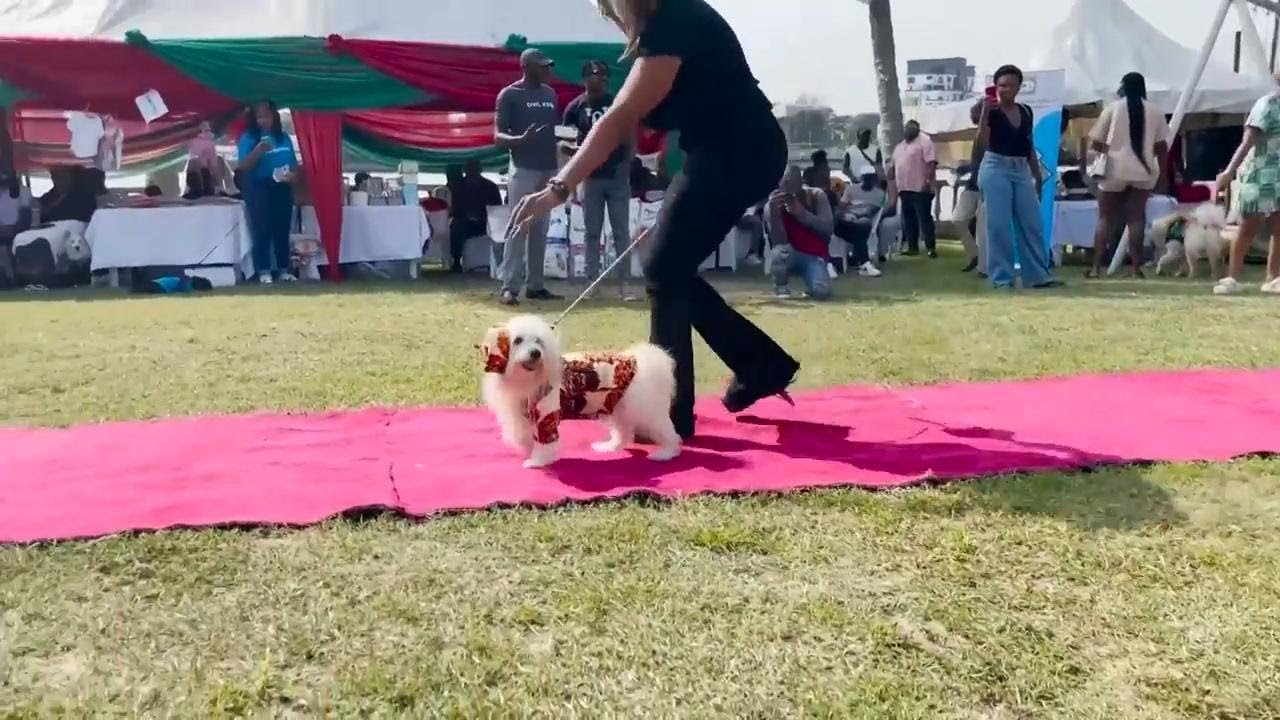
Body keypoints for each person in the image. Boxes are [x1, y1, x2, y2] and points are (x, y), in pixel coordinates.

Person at [507, 0, 800, 440]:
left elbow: (619, 118)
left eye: (609, 7)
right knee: (670, 269)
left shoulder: (674, 20)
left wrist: (558, 188)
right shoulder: (667, 26)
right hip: (722, 150)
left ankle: (671, 412)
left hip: (742, 151)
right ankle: (760, 365)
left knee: (665, 268)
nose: (609, 15)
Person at [976, 65, 1059, 289]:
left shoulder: (1025, 111)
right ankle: (1002, 278)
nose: (1004, 90)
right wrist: (984, 114)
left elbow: (1028, 144)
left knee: (1032, 223)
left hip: (1021, 168)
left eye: (1010, 85)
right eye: (1001, 85)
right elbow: (980, 144)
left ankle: (1038, 275)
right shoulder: (988, 110)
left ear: (1018, 88)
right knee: (999, 225)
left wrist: (1037, 175)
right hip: (995, 166)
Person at [495, 48, 564, 305]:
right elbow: (497, 136)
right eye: (542, 66)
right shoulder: (510, 95)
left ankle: (536, 285)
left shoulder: (550, 94)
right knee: (518, 227)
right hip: (523, 168)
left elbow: (553, 131)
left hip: (548, 169)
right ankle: (509, 287)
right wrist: (519, 140)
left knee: (541, 228)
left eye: (548, 66)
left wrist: (564, 147)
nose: (548, 70)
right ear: (526, 67)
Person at [1085, 72, 1170, 279]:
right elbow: (1161, 146)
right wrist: (1165, 174)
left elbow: (1096, 142)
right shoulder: (1156, 111)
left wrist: (1108, 152)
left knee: (1104, 217)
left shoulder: (1112, 109)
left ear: (1122, 86)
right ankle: (1135, 269)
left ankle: (1096, 268)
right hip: (1143, 170)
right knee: (1135, 219)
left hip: (1113, 169)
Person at [563, 59, 636, 299]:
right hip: (591, 178)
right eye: (597, 77)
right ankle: (591, 282)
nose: (603, 82)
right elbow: (564, 142)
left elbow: (630, 133)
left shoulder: (617, 102)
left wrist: (626, 164)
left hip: (617, 176)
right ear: (585, 79)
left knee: (621, 232)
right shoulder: (574, 108)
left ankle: (624, 284)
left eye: (605, 78)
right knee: (592, 232)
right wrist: (577, 156)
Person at [1214, 73, 1280, 295]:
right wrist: (1228, 172)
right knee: (1248, 227)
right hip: (1259, 174)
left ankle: (1273, 278)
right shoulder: (1266, 106)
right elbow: (1247, 143)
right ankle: (1232, 277)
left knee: (1279, 227)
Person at [236, 100, 298, 285]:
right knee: (262, 228)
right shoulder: (249, 138)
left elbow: (294, 164)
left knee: (282, 228)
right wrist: (258, 151)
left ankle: (283, 269)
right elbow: (242, 167)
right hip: (259, 187)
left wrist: (292, 176)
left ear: (274, 117)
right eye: (259, 117)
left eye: (267, 116)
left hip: (282, 186)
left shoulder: (284, 137)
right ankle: (263, 270)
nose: (263, 120)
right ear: (254, 119)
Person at [767, 165, 833, 299]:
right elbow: (779, 242)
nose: (787, 186)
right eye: (784, 182)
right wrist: (774, 215)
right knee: (779, 253)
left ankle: (812, 287)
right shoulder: (773, 202)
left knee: (821, 293)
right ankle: (781, 287)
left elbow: (828, 229)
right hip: (789, 254)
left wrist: (802, 214)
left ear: (800, 182)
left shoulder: (816, 196)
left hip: (814, 255)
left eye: (791, 182)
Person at [887, 120, 938, 258]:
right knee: (909, 219)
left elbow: (931, 163)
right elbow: (893, 165)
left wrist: (927, 181)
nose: (909, 130)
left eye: (912, 128)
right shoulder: (900, 146)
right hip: (904, 188)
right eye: (907, 128)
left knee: (924, 218)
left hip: (921, 187)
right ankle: (912, 246)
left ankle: (930, 247)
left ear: (917, 129)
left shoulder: (925, 142)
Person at [447, 160, 502, 273]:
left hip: (485, 222)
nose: (472, 172)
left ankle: (500, 262)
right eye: (469, 170)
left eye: (474, 169)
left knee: (498, 228)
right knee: (456, 227)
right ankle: (456, 261)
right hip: (464, 222)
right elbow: (454, 209)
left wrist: (482, 216)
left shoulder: (491, 186)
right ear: (465, 171)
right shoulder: (458, 186)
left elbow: (497, 208)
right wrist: (466, 215)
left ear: (480, 170)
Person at [953, 101, 987, 275]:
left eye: (974, 113)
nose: (972, 117)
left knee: (982, 227)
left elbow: (986, 163)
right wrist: (968, 166)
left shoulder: (991, 134)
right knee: (958, 219)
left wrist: (967, 167)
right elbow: (977, 162)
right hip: (973, 184)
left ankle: (984, 266)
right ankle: (975, 255)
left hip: (986, 186)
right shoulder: (977, 135)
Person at [839, 166, 887, 276]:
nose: (867, 180)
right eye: (865, 177)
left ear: (874, 178)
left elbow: (872, 211)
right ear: (861, 178)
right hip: (848, 219)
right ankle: (863, 261)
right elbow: (842, 206)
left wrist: (856, 214)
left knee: (863, 224)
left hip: (864, 220)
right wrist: (847, 214)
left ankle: (860, 260)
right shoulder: (851, 189)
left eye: (870, 177)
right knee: (838, 222)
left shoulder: (879, 194)